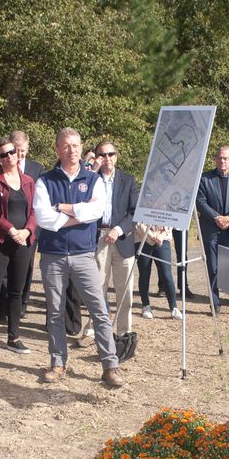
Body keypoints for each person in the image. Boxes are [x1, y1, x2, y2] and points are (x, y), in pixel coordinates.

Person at [33, 127, 123, 387]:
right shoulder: (45, 181)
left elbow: (97, 211)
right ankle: (58, 362)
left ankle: (110, 366)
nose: (71, 150)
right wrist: (78, 216)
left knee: (99, 310)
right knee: (54, 312)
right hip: (53, 255)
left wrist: (62, 209)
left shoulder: (92, 179)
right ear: (57, 149)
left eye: (75, 145)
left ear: (81, 147)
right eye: (65, 145)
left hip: (84, 255)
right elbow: (43, 218)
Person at [0, 137, 35, 355]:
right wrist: (12, 230)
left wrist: (27, 231)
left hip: (22, 243)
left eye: (12, 152)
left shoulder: (28, 181)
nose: (10, 157)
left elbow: (34, 211)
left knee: (17, 290)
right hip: (0, 242)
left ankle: (13, 337)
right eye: (4, 154)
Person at [89, 141, 139, 338]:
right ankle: (95, 329)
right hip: (98, 238)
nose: (107, 158)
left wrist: (118, 230)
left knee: (124, 291)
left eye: (111, 154)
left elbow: (135, 212)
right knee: (97, 287)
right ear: (97, 157)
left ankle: (123, 331)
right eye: (102, 154)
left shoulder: (128, 180)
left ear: (116, 156)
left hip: (122, 239)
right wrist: (92, 172)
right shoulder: (91, 179)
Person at [195, 145, 229, 313]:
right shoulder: (204, 179)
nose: (222, 161)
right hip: (211, 230)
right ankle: (215, 304)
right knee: (213, 267)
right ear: (215, 159)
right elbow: (200, 202)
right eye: (220, 157)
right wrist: (217, 217)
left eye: (226, 158)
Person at [10, 130, 45, 318]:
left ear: (28, 148)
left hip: (30, 226)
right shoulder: (2, 165)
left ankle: (23, 303)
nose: (19, 154)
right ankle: (4, 305)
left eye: (23, 150)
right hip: (9, 226)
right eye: (16, 150)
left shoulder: (37, 168)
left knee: (27, 266)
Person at [136, 223, 181, 320]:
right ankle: (146, 306)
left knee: (166, 274)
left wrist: (162, 235)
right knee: (144, 273)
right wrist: (152, 236)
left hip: (162, 239)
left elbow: (172, 218)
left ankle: (174, 307)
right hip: (143, 238)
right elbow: (138, 220)